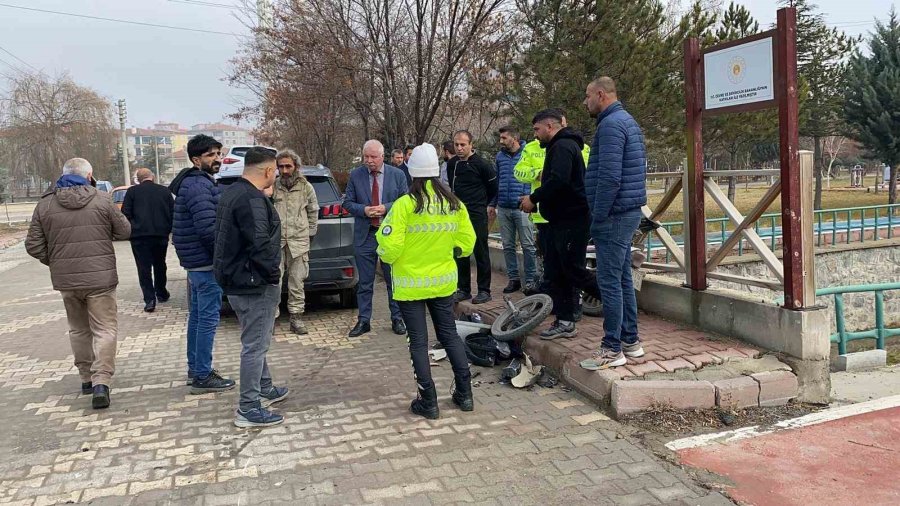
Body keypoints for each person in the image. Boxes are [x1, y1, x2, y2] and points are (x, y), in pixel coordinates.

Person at [376, 143, 477, 419]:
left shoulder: (405, 205)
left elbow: (389, 248)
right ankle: (465, 395)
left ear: (411, 171)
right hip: (443, 284)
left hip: (410, 286)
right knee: (449, 335)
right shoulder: (453, 204)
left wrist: (384, 253)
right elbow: (467, 244)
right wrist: (448, 253)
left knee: (418, 342)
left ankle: (428, 401)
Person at [25, 158, 131, 409]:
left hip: (68, 281)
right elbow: (125, 231)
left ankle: (85, 378)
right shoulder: (102, 199)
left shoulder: (45, 204)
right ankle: (101, 382)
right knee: (104, 329)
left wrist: (56, 262)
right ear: (90, 175)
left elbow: (33, 245)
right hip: (100, 279)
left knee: (78, 329)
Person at [213, 147, 289, 428]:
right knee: (255, 346)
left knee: (257, 339)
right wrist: (272, 276)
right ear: (268, 171)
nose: (278, 175)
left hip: (238, 281)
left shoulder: (232, 192)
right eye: (276, 170)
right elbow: (260, 245)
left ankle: (265, 387)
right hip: (253, 284)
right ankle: (248, 407)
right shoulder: (252, 199)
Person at [579, 76, 648, 370]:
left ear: (600, 94)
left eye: (587, 97)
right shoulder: (626, 121)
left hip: (614, 215)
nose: (585, 103)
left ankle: (612, 348)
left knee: (608, 280)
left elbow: (609, 177)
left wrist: (599, 214)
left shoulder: (610, 125)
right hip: (626, 211)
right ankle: (630, 341)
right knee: (621, 278)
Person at [519, 109, 602, 340]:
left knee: (574, 270)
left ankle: (617, 303)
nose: (535, 135)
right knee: (557, 272)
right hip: (558, 219)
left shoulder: (563, 147)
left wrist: (533, 198)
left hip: (571, 220)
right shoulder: (558, 146)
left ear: (549, 126)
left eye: (537, 129)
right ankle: (564, 321)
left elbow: (559, 181)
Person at [169, 134, 236, 393]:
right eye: (211, 155)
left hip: (196, 264)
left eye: (218, 154)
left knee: (197, 318)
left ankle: (196, 369)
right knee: (207, 320)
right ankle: (203, 375)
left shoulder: (196, 183)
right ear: (196, 160)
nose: (217, 159)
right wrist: (224, 257)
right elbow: (209, 230)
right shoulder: (198, 186)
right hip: (206, 265)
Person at [342, 140, 409, 337]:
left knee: (393, 280)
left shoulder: (397, 175)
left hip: (389, 235)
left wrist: (385, 208)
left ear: (382, 156)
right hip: (366, 235)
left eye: (373, 157)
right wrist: (363, 210)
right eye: (366, 157)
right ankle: (364, 320)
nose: (369, 161)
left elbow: (405, 201)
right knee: (364, 282)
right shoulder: (356, 175)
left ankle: (397, 318)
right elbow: (347, 202)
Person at [446, 130, 498, 304]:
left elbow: (493, 188)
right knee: (461, 251)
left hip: (477, 213)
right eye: (456, 144)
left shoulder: (482, 164)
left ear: (471, 145)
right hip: (458, 214)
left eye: (463, 144)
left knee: (480, 250)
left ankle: (484, 290)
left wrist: (483, 204)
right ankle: (464, 289)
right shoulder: (451, 164)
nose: (459, 148)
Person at [272, 149, 318, 335]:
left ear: (296, 167)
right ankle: (272, 319)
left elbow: (313, 212)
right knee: (273, 283)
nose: (284, 170)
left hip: (299, 243)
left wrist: (309, 235)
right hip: (276, 243)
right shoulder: (273, 186)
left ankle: (296, 319)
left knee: (297, 283)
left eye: (288, 166)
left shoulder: (306, 187)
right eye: (281, 166)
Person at [122, 168, 174, 313]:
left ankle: (149, 300)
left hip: (139, 237)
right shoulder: (164, 191)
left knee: (143, 268)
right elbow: (173, 212)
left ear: (138, 179)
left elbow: (125, 213)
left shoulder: (132, 192)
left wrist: (133, 228)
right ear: (153, 177)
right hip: (160, 235)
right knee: (160, 264)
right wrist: (168, 228)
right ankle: (162, 292)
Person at [494, 125, 537, 294]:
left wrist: (528, 197)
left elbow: (532, 177)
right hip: (504, 207)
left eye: (504, 138)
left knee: (528, 245)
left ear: (514, 138)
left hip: (522, 207)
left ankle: (531, 280)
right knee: (508, 245)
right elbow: (497, 180)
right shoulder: (500, 157)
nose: (501, 141)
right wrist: (493, 203)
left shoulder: (528, 153)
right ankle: (514, 279)